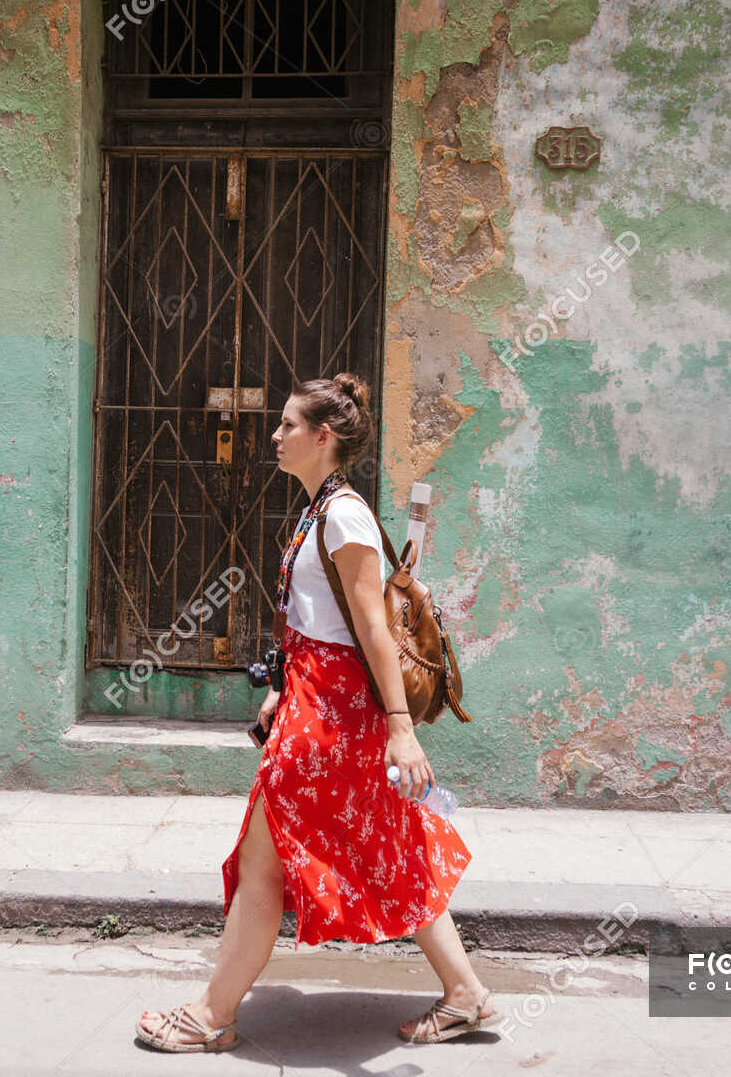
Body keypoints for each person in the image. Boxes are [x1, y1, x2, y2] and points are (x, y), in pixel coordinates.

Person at [135, 371, 497, 1053]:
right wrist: (280, 679)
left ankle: (212, 1014)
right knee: (392, 842)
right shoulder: (316, 509)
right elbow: (315, 618)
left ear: (322, 437)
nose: (275, 435)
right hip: (311, 697)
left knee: (264, 860)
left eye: (287, 425)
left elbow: (373, 631)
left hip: (334, 714)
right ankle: (466, 993)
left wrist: (400, 728)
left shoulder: (344, 515)